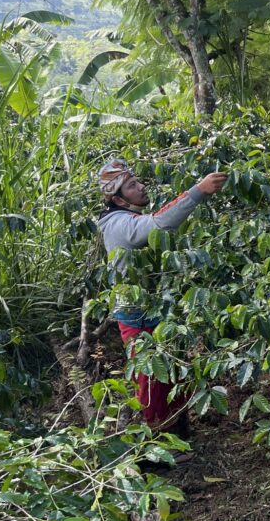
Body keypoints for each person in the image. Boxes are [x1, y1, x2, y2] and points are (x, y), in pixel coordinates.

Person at [97, 157, 227, 434]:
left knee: (167, 372)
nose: (141, 188)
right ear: (119, 200)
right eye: (132, 186)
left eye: (137, 182)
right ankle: (157, 446)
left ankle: (176, 435)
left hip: (154, 309)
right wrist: (198, 191)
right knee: (153, 378)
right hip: (138, 315)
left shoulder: (123, 218)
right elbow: (159, 224)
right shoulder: (121, 225)